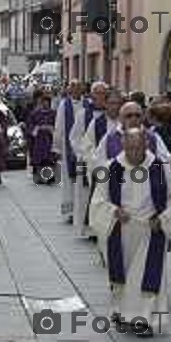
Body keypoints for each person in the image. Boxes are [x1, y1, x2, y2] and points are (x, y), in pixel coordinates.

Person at [90, 128, 171, 337]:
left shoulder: (160, 168)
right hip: (122, 230)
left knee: (145, 277)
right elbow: (98, 201)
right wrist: (114, 211)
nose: (133, 153)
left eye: (138, 148)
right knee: (123, 277)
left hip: (151, 230)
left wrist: (164, 218)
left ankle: (144, 320)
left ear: (146, 146)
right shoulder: (111, 168)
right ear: (123, 146)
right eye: (129, 148)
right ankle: (123, 314)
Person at [69, 81, 108, 237]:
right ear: (92, 95)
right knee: (86, 195)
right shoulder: (83, 114)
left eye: (103, 93)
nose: (100, 96)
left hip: (108, 164)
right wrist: (85, 155)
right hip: (88, 162)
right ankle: (89, 229)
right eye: (97, 93)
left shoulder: (113, 114)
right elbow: (75, 137)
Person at [53, 80, 90, 222]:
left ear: (82, 89)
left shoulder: (88, 104)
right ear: (69, 90)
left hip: (84, 146)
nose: (75, 91)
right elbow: (59, 124)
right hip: (67, 146)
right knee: (69, 181)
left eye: (78, 88)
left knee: (82, 180)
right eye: (73, 88)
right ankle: (70, 212)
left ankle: (82, 209)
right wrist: (57, 146)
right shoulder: (64, 104)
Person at [27, 92, 57, 184]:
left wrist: (52, 129)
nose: (45, 104)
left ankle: (50, 176)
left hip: (49, 139)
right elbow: (31, 125)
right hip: (38, 140)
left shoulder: (53, 113)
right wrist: (37, 129)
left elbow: (57, 125)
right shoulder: (35, 113)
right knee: (38, 159)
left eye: (47, 102)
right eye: (44, 102)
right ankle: (38, 177)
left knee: (49, 158)